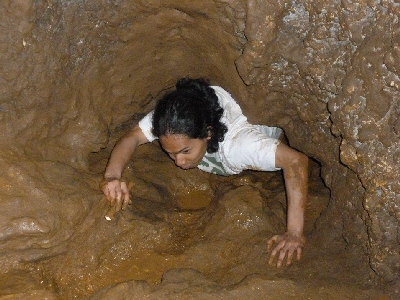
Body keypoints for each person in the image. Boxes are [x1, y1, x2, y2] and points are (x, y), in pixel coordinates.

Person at [101, 78, 309, 268]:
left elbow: (296, 161)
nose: (179, 162)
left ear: (208, 133)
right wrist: (112, 176)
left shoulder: (238, 146)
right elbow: (133, 136)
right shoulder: (170, 120)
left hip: (256, 128)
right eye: (170, 153)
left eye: (185, 151)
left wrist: (294, 232)